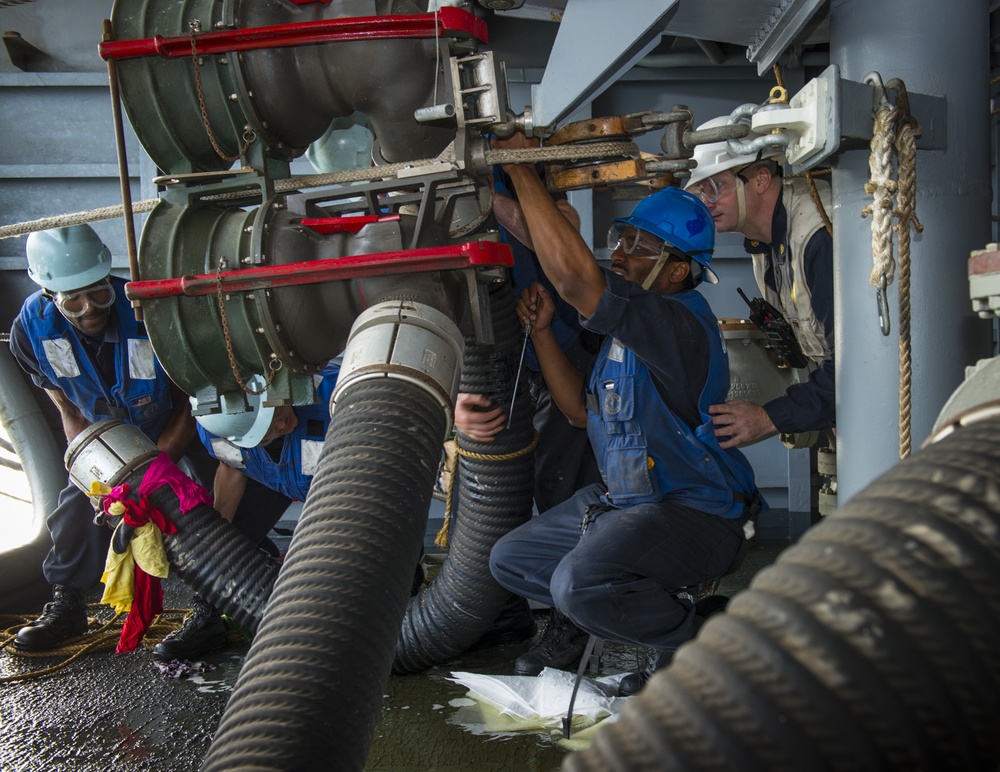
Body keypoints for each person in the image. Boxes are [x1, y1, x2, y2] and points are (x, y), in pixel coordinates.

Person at [485, 133, 765, 697]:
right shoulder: (623, 335)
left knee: (577, 585)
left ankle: (698, 644)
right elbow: (578, 413)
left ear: (678, 269)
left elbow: (573, 280)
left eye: (638, 245)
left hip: (698, 514)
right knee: (510, 559)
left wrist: (517, 168)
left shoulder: (677, 322)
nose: (620, 254)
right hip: (626, 505)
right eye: (621, 238)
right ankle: (657, 603)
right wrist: (542, 334)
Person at [8, 225, 212, 652]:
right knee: (75, 506)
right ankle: (68, 605)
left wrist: (152, 471)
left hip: (173, 427)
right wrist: (97, 477)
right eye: (73, 300)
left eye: (98, 293)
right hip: (105, 438)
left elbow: (187, 404)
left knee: (207, 501)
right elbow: (68, 410)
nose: (89, 308)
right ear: (49, 295)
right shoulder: (30, 332)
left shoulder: (151, 313)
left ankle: (213, 608)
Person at [454, 167, 601, 513]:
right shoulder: (417, 188)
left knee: (563, 485)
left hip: (561, 346)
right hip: (483, 363)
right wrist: (452, 402)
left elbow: (565, 232)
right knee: (487, 492)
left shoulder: (514, 160)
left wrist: (491, 199)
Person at [684, 115, 835, 448]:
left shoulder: (817, 237)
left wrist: (769, 419)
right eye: (699, 193)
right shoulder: (764, 247)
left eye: (714, 187)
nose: (706, 204)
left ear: (761, 179)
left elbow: (858, 365)